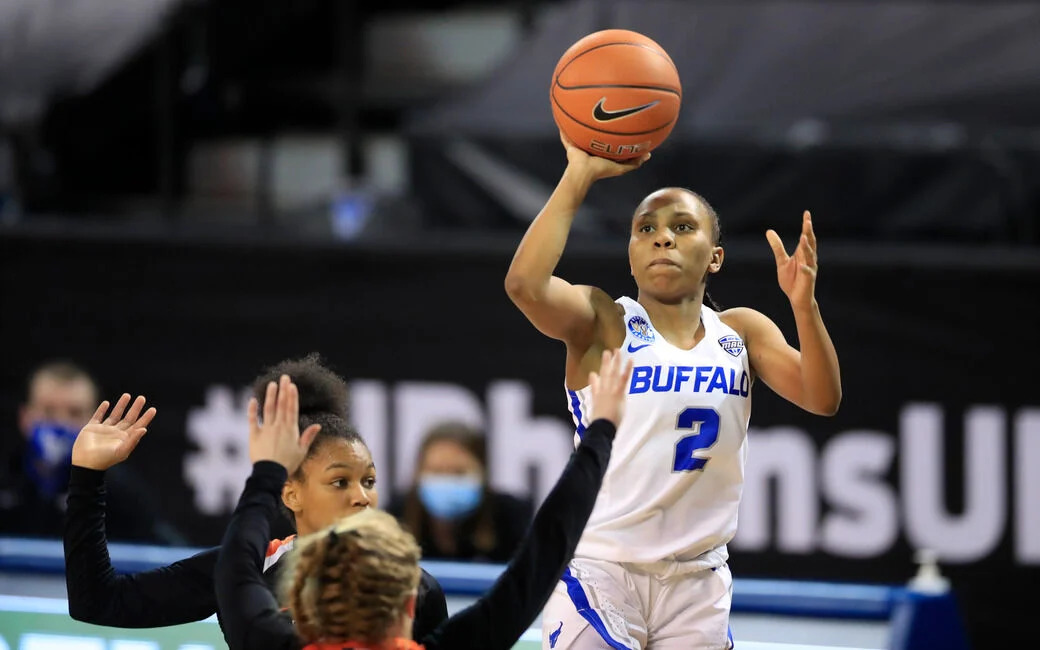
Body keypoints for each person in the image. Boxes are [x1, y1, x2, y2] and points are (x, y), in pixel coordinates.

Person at [503, 134, 842, 649]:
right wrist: (578, 176)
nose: (664, 238)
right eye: (647, 229)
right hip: (602, 567)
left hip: (698, 580)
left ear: (715, 257)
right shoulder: (604, 320)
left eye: (683, 227)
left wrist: (804, 307)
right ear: (632, 256)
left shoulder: (741, 331)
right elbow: (524, 286)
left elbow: (823, 398)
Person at [214, 348, 632, 650]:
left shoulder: (262, 637)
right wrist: (600, 432)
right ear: (410, 604)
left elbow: (237, 563)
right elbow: (542, 555)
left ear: (302, 602)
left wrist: (267, 472)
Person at [63, 354, 448, 638]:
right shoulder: (247, 569)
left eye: (369, 481)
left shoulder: (415, 586)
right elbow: (97, 602)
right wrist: (87, 478)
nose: (362, 497)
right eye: (339, 482)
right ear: (291, 493)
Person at [1, 360, 177, 542]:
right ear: (25, 417)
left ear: (96, 419)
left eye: (75, 413)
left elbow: (161, 555)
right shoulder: (5, 479)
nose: (61, 423)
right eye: (48, 411)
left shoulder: (121, 493)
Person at [389, 421, 533, 562]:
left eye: (459, 473)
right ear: (419, 473)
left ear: (482, 472)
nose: (446, 482)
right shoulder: (394, 518)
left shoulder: (512, 518)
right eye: (436, 472)